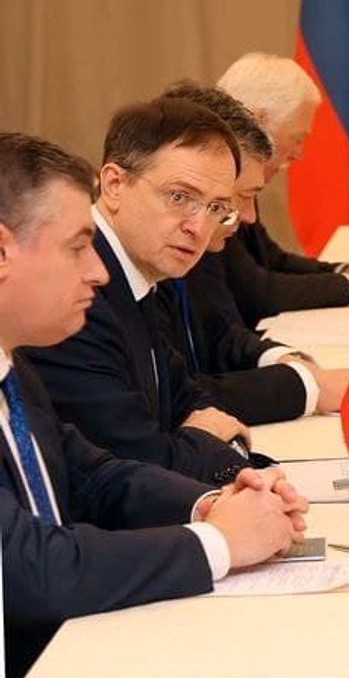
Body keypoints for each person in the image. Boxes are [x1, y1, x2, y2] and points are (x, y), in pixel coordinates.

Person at [0, 132, 309, 675]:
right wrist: (218, 543)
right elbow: (33, 571)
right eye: (77, 247)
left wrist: (210, 503)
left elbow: (93, 475)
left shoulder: (13, 366)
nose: (98, 271)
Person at [25, 98, 258, 484]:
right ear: (114, 184)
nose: (199, 228)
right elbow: (141, 461)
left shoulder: (139, 273)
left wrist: (213, 441)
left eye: (216, 207)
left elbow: (190, 398)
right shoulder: (78, 295)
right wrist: (209, 442)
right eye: (180, 197)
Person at [157, 81, 349, 424]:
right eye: (238, 198)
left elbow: (221, 336)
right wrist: (306, 387)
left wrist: (287, 362)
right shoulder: (120, 273)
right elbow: (173, 400)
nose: (247, 217)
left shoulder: (188, 247)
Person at [216, 52, 349, 326]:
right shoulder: (217, 181)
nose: (299, 153)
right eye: (297, 138)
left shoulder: (243, 175)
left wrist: (346, 272)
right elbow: (256, 293)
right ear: (258, 122)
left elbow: (271, 260)